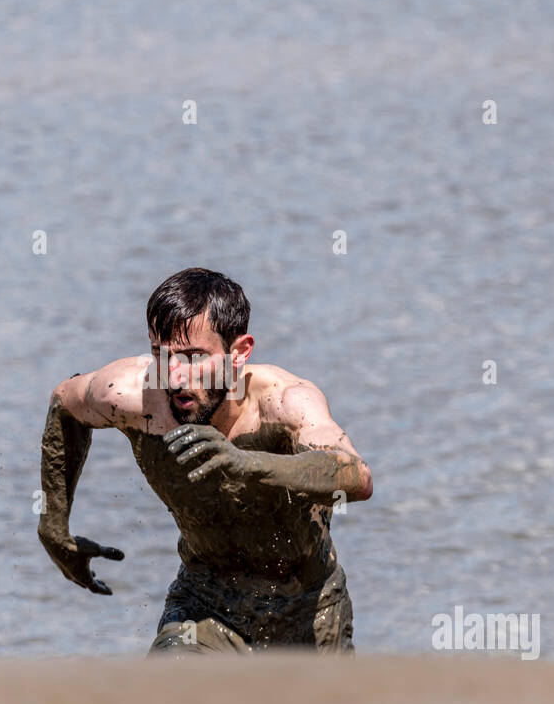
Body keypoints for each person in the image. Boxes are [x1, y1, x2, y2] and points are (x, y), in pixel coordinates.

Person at [37, 268, 372, 654]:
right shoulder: (135, 396)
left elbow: (356, 476)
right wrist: (53, 527)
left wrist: (247, 465)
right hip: (204, 607)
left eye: (194, 357)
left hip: (309, 609)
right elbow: (64, 403)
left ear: (239, 352)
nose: (175, 377)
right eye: (162, 356)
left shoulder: (283, 403)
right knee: (165, 702)